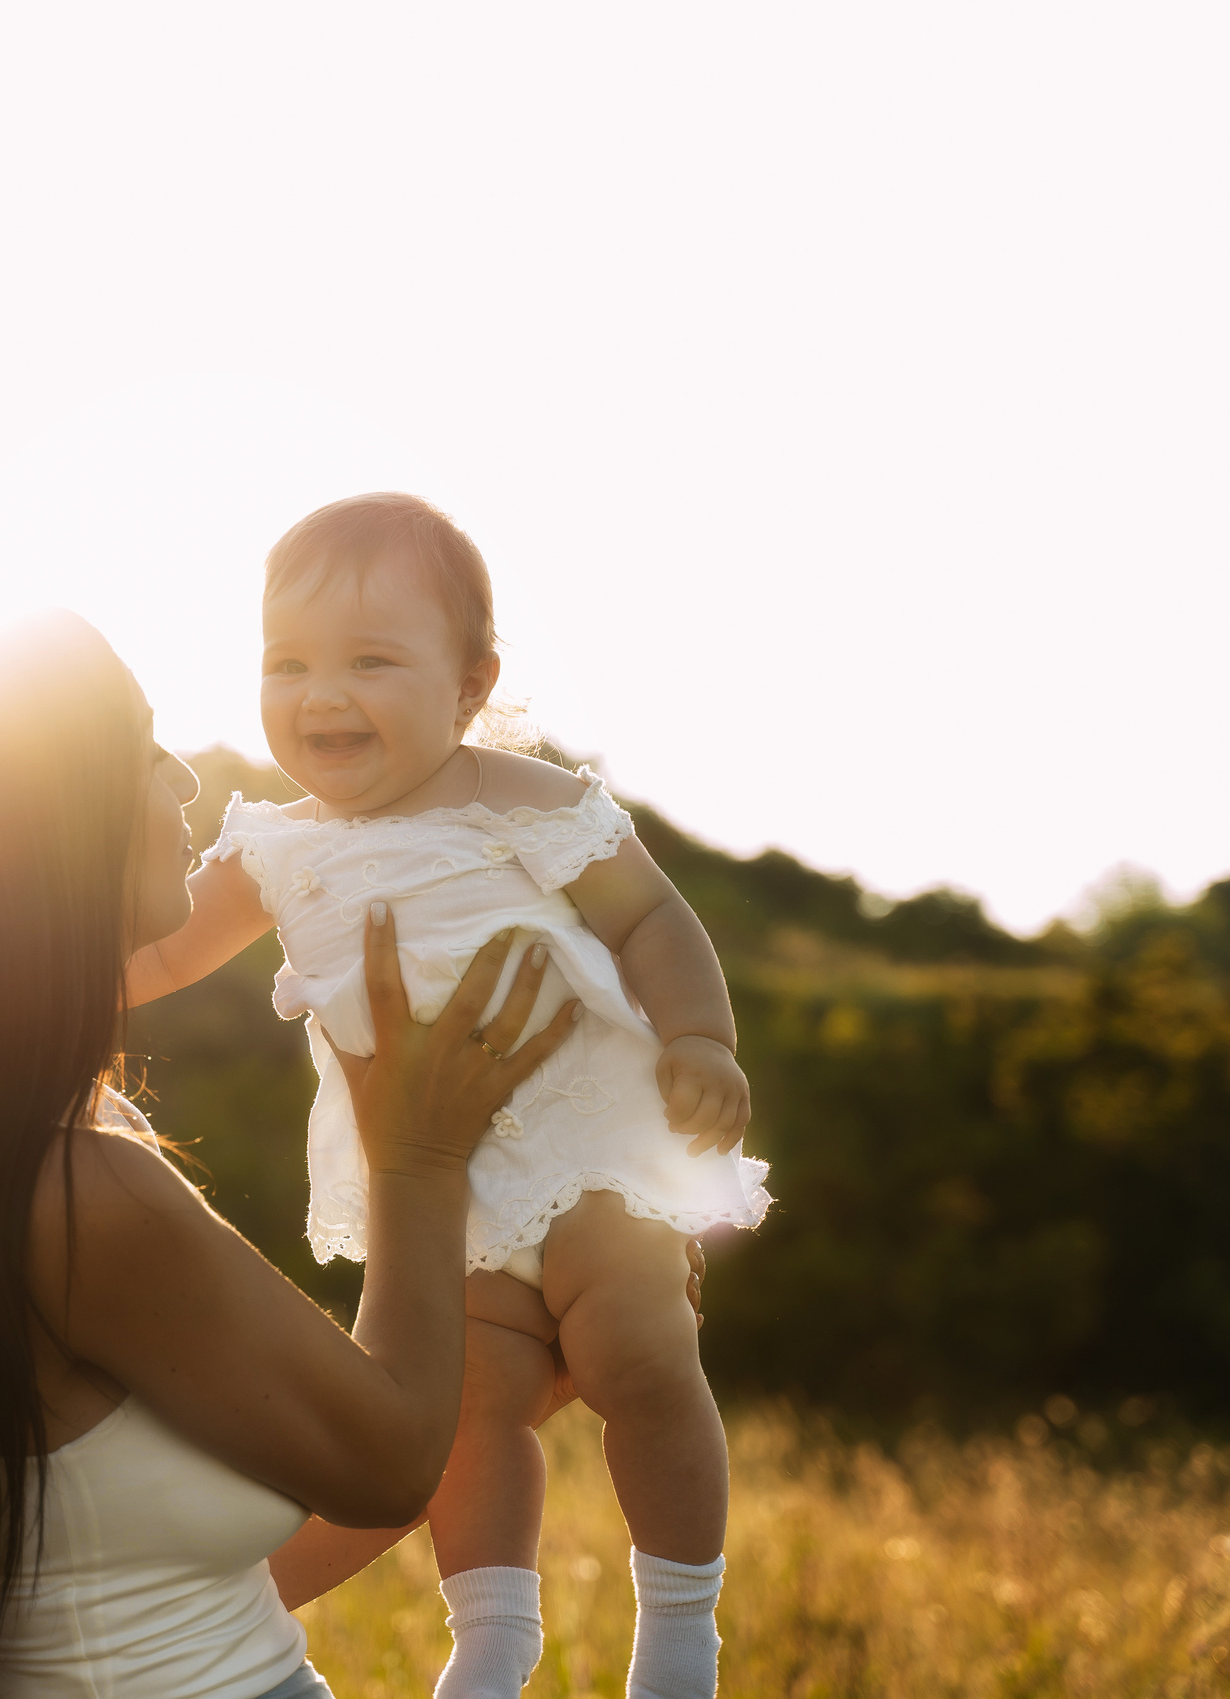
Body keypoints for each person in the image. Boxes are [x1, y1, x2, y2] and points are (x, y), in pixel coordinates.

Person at [0, 613, 577, 1699]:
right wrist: (416, 1162)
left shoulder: (4, 1156)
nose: (182, 779)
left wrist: (507, 1379)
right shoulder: (77, 1195)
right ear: (40, 822)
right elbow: (385, 1464)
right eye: (141, 749)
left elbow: (201, 1580)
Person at [127, 492, 770, 1699]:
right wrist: (15, 993)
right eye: (289, 662)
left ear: (468, 684)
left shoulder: (520, 801)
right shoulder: (271, 847)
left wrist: (701, 1038)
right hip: (439, 1192)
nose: (322, 694)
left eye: (371, 660)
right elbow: (154, 958)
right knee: (464, 1412)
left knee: (639, 1351)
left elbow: (648, 917)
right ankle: (491, 1640)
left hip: (592, 1142)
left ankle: (682, 1635)